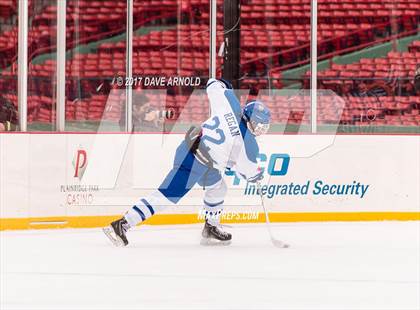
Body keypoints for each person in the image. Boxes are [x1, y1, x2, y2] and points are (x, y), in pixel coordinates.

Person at [103, 78, 270, 246]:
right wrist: (256, 174)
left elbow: (212, 84)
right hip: (193, 163)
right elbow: (247, 172)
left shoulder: (230, 104)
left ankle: (210, 227)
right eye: (258, 124)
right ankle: (122, 224)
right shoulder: (249, 145)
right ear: (250, 119)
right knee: (166, 196)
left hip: (194, 152)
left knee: (218, 187)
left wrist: (226, 85)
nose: (260, 129)